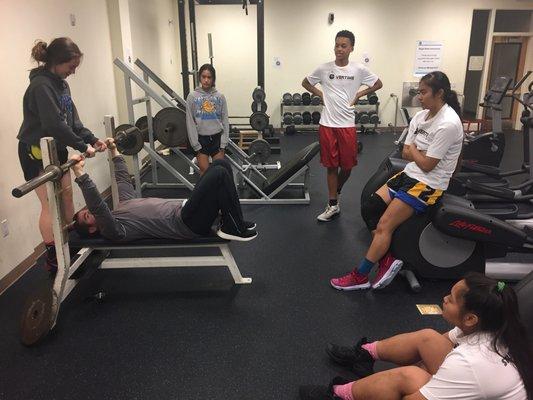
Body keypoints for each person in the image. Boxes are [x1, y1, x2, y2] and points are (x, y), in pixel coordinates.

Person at [300, 273, 532, 400]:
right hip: (480, 385)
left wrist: (399, 382)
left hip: (474, 378)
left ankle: (342, 396)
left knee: (405, 377)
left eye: (450, 299)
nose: (444, 298)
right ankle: (364, 356)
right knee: (427, 338)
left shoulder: (469, 362)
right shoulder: (493, 326)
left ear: (470, 318)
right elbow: (438, 346)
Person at [330, 71, 464, 291]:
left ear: (439, 93)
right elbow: (405, 152)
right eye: (418, 92)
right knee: (370, 208)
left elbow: (429, 165)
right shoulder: (421, 117)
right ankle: (387, 258)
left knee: (384, 225)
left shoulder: (448, 123)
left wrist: (417, 153)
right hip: (410, 174)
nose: (419, 97)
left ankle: (361, 276)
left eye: (423, 92)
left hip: (429, 184)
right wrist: (418, 154)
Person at [17, 37, 107, 272]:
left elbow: (71, 121)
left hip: (55, 148)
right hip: (35, 151)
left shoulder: (62, 84)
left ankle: (67, 247)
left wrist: (91, 139)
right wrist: (81, 146)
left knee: (66, 198)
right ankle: (53, 256)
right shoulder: (41, 86)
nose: (73, 72)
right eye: (71, 67)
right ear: (57, 62)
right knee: (50, 205)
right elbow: (54, 125)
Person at [71, 138, 257, 242]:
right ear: (95, 228)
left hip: (186, 209)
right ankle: (233, 226)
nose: (90, 211)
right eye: (87, 216)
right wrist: (79, 174)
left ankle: (234, 222)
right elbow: (98, 207)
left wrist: (113, 150)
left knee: (221, 164)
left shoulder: (122, 205)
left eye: (85, 211)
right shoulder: (115, 229)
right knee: (218, 174)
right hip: (187, 223)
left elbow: (122, 179)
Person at [302, 30, 382, 222]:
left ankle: (336, 189)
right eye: (337, 45)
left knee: (347, 167)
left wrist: (359, 95)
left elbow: (378, 84)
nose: (339, 49)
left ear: (351, 48)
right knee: (331, 166)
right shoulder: (324, 68)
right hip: (327, 124)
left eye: (343, 45)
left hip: (347, 124)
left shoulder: (359, 70)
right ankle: (332, 204)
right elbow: (305, 83)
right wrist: (320, 94)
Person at [186, 64, 230, 175]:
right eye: (203, 77)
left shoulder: (220, 97)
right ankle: (205, 193)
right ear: (200, 78)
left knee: (218, 172)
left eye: (209, 77)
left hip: (217, 139)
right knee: (205, 173)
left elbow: (225, 120)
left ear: (213, 79)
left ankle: (217, 193)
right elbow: (190, 122)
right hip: (201, 140)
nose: (206, 80)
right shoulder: (192, 97)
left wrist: (223, 143)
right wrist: (195, 144)